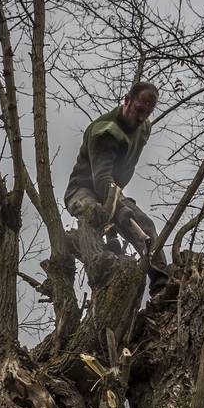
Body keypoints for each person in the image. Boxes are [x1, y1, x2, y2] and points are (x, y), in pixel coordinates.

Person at [64, 81, 169, 293]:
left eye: (147, 113)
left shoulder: (144, 126)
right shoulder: (105, 133)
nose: (141, 117)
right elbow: (102, 180)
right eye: (139, 110)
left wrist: (120, 204)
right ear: (127, 100)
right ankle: (103, 256)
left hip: (113, 188)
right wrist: (117, 208)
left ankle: (162, 280)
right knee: (94, 213)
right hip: (83, 190)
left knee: (144, 225)